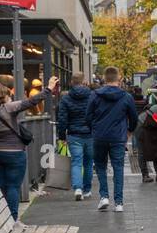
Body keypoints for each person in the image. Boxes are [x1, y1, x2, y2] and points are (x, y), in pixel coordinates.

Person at [0, 78, 55, 218]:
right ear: (4, 96)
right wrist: (48, 89)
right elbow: (31, 101)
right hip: (15, 153)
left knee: (2, 187)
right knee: (13, 186)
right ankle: (13, 219)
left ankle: (3, 219)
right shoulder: (8, 107)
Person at [87, 67, 139, 213]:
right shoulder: (126, 97)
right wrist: (129, 131)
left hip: (99, 136)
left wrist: (94, 128)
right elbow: (134, 118)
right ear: (119, 78)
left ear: (104, 78)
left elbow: (88, 116)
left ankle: (104, 196)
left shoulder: (95, 95)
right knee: (118, 167)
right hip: (118, 137)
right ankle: (119, 202)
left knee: (101, 166)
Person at [55, 71, 95, 201]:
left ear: (72, 82)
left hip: (74, 134)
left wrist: (61, 136)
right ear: (84, 82)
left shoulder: (66, 98)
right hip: (90, 134)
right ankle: (87, 190)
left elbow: (62, 119)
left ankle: (78, 188)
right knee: (88, 162)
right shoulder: (92, 96)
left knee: (76, 162)